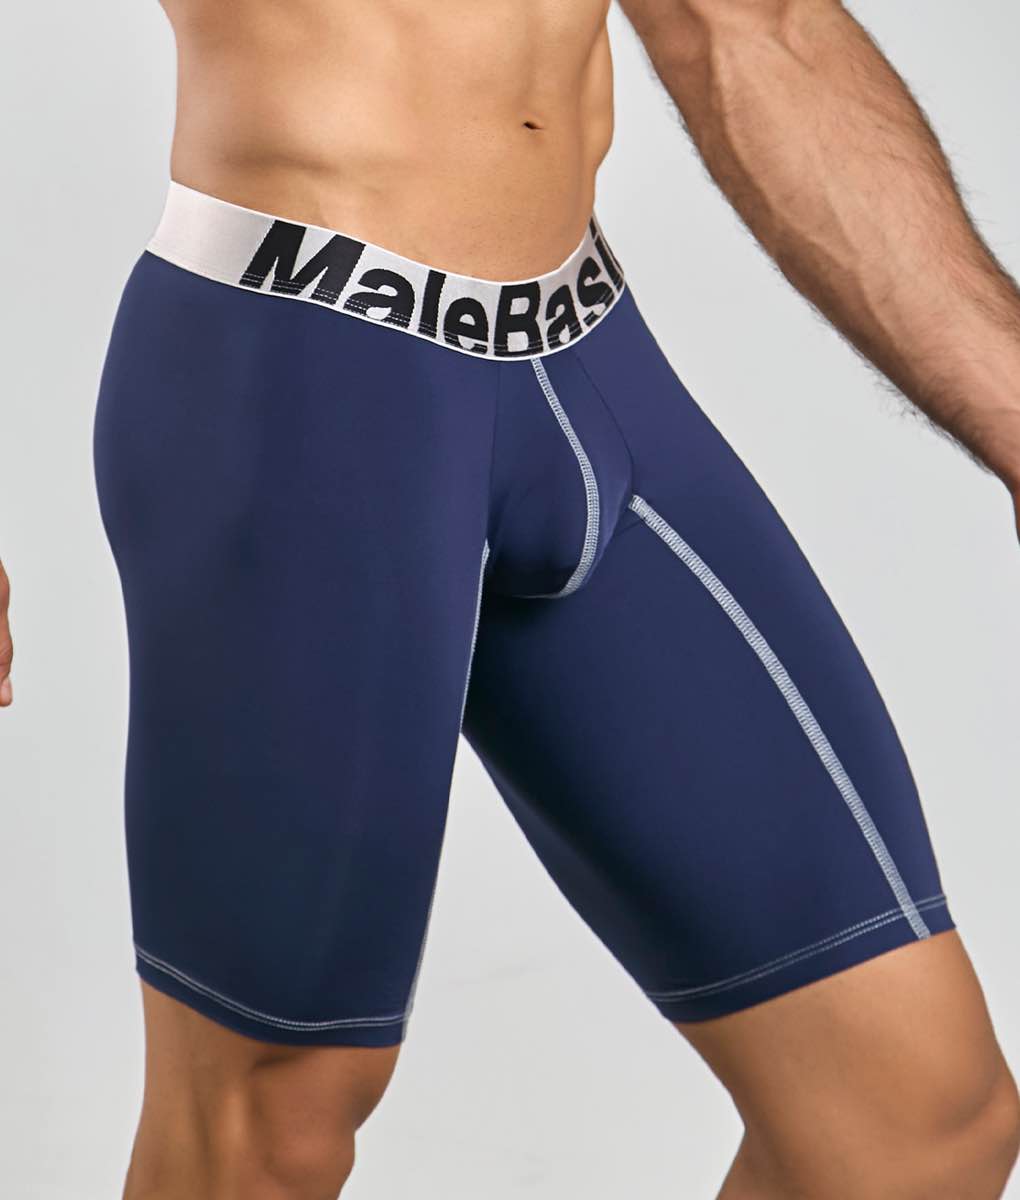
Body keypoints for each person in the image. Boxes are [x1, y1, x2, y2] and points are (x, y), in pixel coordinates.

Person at [6, 0, 1020, 1196]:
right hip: (302, 377)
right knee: (268, 1126)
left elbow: (753, 22)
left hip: (588, 361)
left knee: (917, 1123)